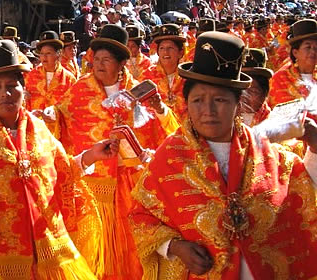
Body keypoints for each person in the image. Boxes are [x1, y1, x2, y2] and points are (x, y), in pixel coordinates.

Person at [130, 31, 317, 279]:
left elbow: (303, 196)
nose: (208, 110)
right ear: (187, 104)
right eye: (198, 100)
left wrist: (315, 147)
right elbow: (141, 215)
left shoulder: (269, 154)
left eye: (219, 100)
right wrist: (174, 247)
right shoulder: (170, 157)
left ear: (238, 104)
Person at [0, 39, 119, 279]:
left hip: (47, 251)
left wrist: (91, 156)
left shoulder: (38, 129)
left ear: (24, 91)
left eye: (12, 85)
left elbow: (61, 171)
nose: (6, 93)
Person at [48, 24, 178, 279]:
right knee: (96, 252)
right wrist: (48, 116)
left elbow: (168, 135)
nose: (99, 64)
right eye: (96, 59)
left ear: (121, 64)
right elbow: (60, 121)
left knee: (133, 251)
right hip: (93, 187)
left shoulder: (141, 92)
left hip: (133, 186)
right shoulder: (79, 90)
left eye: (106, 59)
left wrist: (161, 109)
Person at [139, 23, 187, 122]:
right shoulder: (146, 77)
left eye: (170, 48)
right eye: (162, 48)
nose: (165, 52)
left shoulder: (188, 77)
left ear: (180, 52)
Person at [268, 19, 317, 109]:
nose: (313, 51)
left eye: (316, 47)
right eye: (308, 47)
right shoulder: (280, 79)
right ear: (295, 52)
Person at [25, 31, 76, 111]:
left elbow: (73, 107)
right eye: (42, 54)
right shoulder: (31, 76)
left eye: (48, 53)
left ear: (58, 54)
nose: (44, 57)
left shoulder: (68, 79)